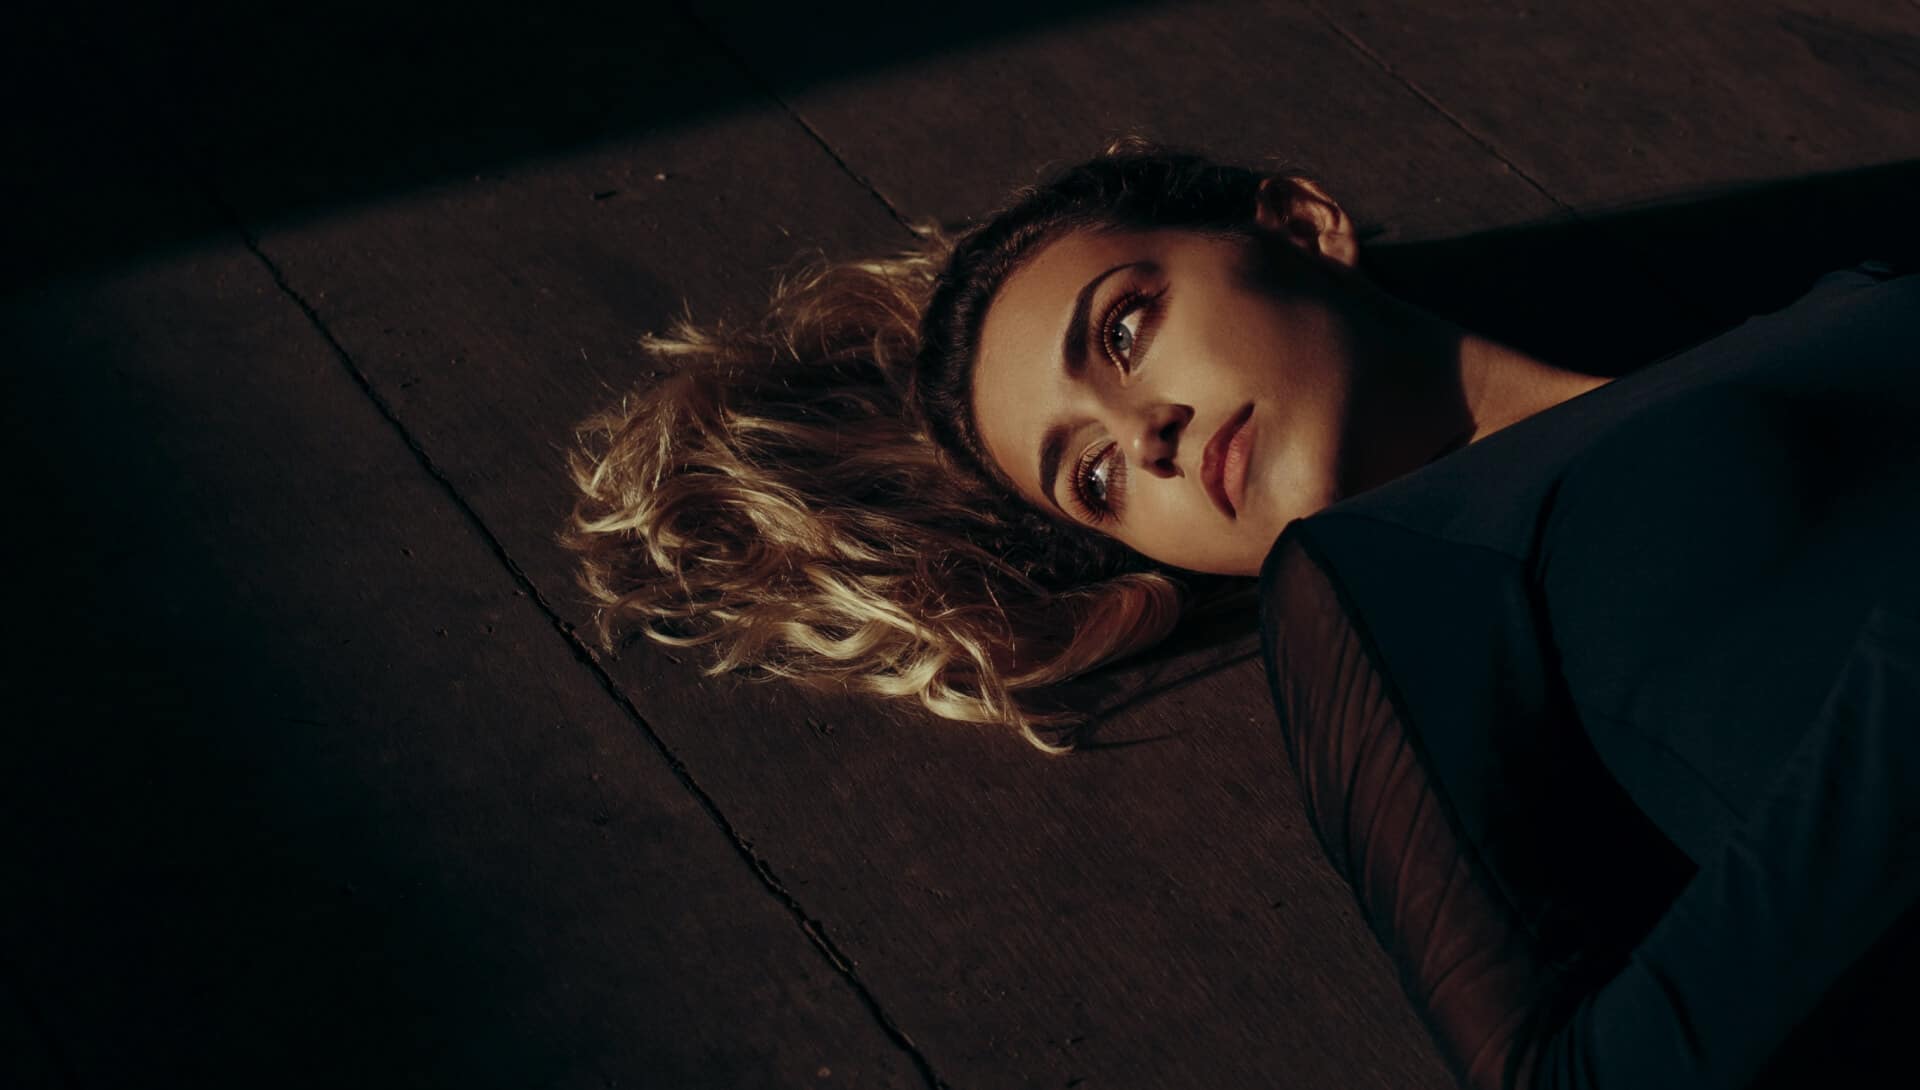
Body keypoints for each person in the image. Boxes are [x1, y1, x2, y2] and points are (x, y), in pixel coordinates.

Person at [563, 139, 1920, 1088]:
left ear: (1297, 223)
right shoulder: (1371, 589)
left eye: (1122, 331)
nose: (1141, 437)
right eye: (1092, 478)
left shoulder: (1837, 305)